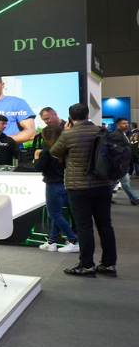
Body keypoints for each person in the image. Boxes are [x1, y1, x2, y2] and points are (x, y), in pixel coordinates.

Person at [50, 103, 117, 277]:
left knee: (84, 226)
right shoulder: (102, 131)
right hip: (103, 185)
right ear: (88, 115)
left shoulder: (68, 134)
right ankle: (109, 264)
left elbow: (55, 152)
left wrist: (66, 131)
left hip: (79, 186)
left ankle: (87, 265)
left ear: (71, 117)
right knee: (105, 225)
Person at [33, 118, 78, 252]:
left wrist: (36, 156)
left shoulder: (47, 152)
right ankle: (52, 241)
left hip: (53, 185)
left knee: (54, 214)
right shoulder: (65, 150)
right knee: (57, 213)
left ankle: (72, 240)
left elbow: (38, 167)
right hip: (64, 184)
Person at [112, 118, 139, 205]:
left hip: (123, 162)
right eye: (124, 123)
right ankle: (134, 198)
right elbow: (116, 149)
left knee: (115, 181)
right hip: (120, 163)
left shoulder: (123, 134)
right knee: (124, 181)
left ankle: (105, 196)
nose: (126, 125)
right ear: (118, 125)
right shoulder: (116, 135)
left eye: (127, 123)